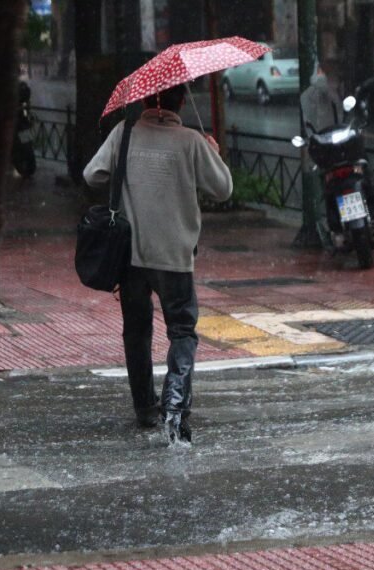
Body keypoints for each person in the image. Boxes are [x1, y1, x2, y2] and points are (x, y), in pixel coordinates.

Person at [83, 84, 232, 446]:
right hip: (175, 256)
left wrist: (125, 176)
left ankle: (144, 407)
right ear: (181, 102)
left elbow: (92, 175)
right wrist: (212, 152)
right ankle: (176, 401)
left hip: (131, 254)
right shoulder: (191, 141)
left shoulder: (125, 132)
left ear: (147, 100)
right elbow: (223, 189)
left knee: (137, 330)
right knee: (182, 329)